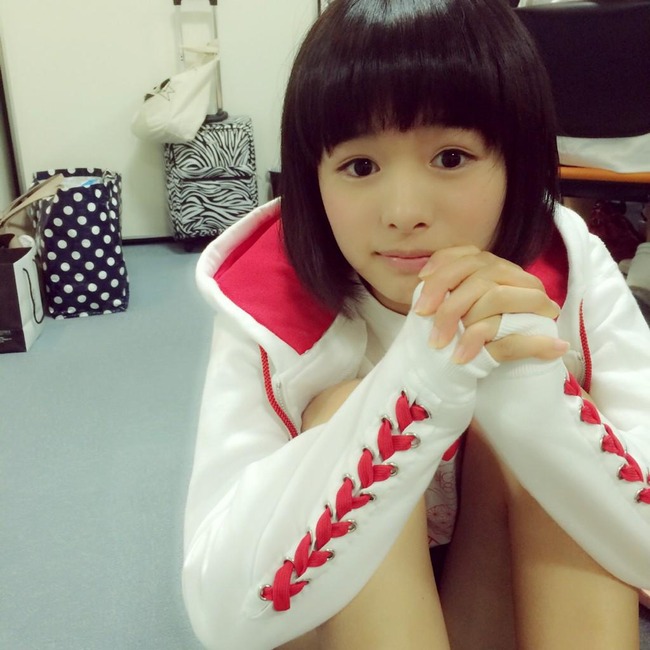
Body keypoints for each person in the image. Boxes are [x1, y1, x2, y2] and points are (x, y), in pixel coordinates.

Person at [182, 1, 650, 648]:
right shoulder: (269, 303)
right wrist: (407, 391)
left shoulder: (566, 263)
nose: (403, 212)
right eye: (360, 167)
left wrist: (537, 402)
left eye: (451, 158)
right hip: (332, 617)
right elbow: (222, 614)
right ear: (311, 178)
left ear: (515, 161)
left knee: (532, 409)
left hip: (498, 591)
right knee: (340, 409)